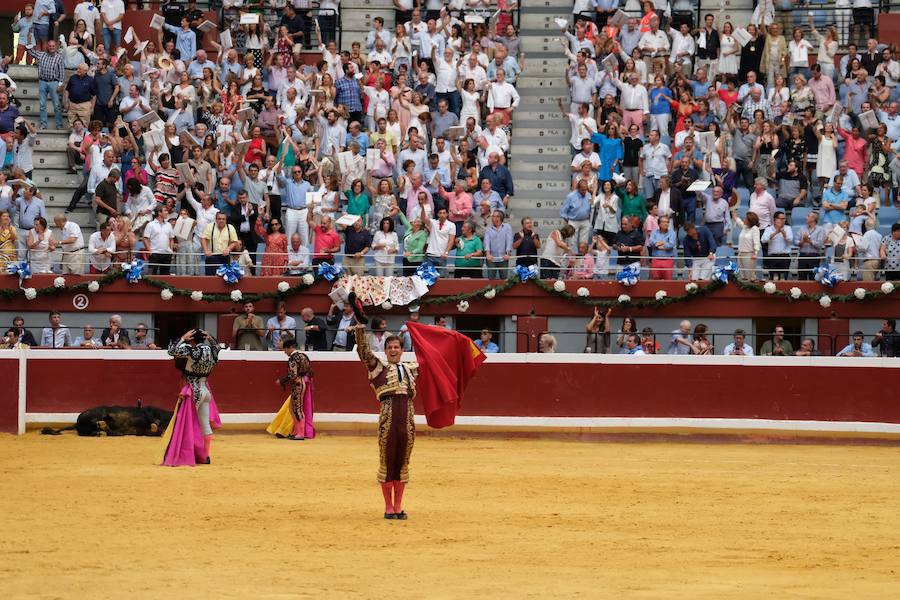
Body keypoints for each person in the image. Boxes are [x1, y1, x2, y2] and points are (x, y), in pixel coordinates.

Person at [354, 324, 418, 520]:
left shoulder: (412, 369)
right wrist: (359, 329)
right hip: (388, 420)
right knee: (387, 462)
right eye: (389, 347)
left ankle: (399, 506)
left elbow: (435, 362)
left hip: (408, 419)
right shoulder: (378, 367)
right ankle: (388, 507)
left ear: (402, 350)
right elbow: (364, 352)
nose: (393, 350)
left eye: (396, 347)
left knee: (402, 463)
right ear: (385, 350)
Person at [162, 329, 222, 466]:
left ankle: (188, 454)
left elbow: (171, 351)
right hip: (206, 391)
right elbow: (218, 346)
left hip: (193, 391)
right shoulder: (213, 350)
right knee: (205, 425)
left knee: (186, 424)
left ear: (192, 340)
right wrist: (210, 338)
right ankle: (206, 456)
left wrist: (182, 338)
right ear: (204, 338)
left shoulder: (192, 350)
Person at [267, 338, 315, 440]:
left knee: (297, 409)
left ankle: (300, 433)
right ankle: (296, 431)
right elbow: (310, 371)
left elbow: (292, 374)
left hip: (297, 384)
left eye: (285, 349)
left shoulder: (293, 358)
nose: (284, 352)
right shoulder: (303, 356)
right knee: (293, 408)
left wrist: (282, 381)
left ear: (290, 347)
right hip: (302, 383)